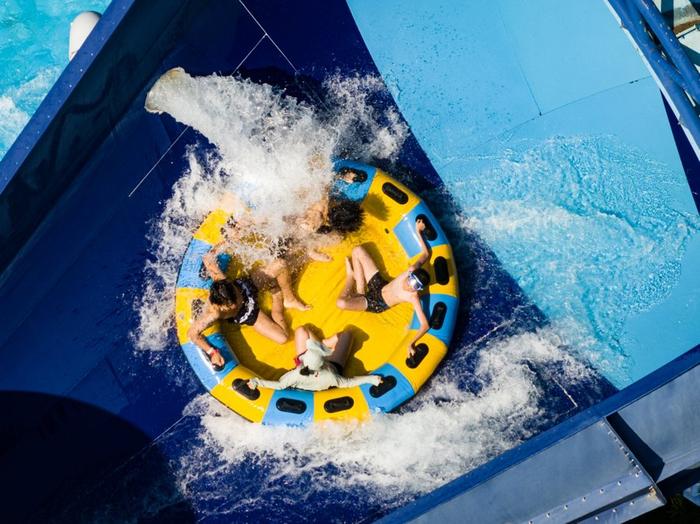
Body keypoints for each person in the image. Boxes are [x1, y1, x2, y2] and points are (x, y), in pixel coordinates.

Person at [337, 218, 432, 357]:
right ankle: (360, 290)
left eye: (416, 286)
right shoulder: (412, 269)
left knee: (341, 303)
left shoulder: (413, 297)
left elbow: (425, 325)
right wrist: (418, 231)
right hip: (380, 284)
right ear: (411, 274)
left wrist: (411, 343)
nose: (411, 286)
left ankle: (351, 277)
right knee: (357, 250)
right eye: (412, 281)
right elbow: (426, 254)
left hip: (377, 303)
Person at [188, 257, 294, 371]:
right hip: (247, 312)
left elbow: (207, 258)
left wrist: (229, 240)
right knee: (283, 338)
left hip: (246, 286)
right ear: (224, 306)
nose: (239, 299)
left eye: (235, 293)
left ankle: (289, 298)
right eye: (235, 301)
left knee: (280, 264)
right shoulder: (213, 313)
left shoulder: (221, 282)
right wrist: (212, 352)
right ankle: (277, 294)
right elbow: (192, 334)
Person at [247, 326, 382, 391]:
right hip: (331, 365)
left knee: (301, 331)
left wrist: (256, 382)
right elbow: (348, 382)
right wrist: (372, 379)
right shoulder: (330, 376)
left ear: (302, 359)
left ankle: (322, 344)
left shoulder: (296, 374)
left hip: (313, 368)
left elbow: (279, 385)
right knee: (346, 335)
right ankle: (323, 345)